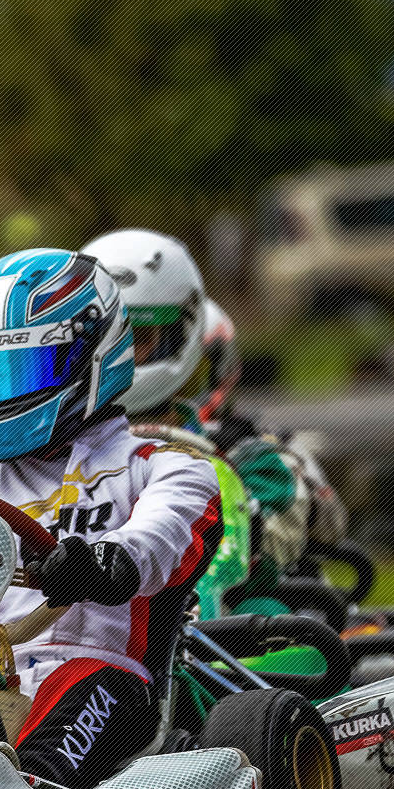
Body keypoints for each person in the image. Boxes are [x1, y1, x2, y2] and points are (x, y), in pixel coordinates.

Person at [0, 248, 224, 789]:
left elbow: (160, 539)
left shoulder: (165, 468)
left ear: (92, 355)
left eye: (23, 370)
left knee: (78, 684)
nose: (5, 393)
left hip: (101, 674)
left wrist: (101, 563)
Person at [80, 229, 344, 611]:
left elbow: (301, 524)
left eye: (136, 337)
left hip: (206, 626)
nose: (116, 356)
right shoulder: (53, 455)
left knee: (270, 615)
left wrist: (243, 520)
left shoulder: (247, 457)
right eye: (104, 341)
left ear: (179, 334)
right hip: (74, 627)